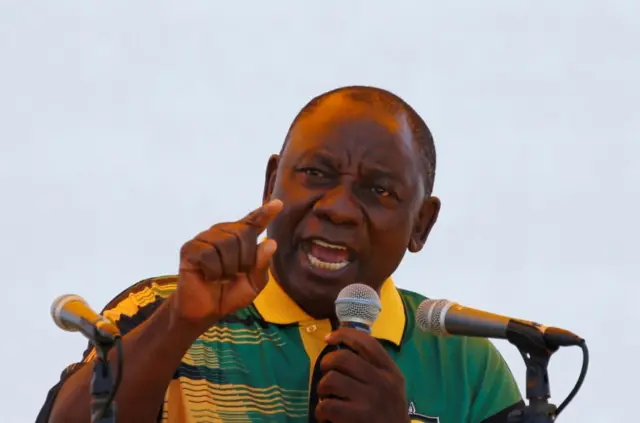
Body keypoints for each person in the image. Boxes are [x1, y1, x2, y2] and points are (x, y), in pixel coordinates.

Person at [38, 86, 524, 423]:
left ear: (422, 223)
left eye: (379, 190)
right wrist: (177, 324)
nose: (337, 208)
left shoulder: (464, 360)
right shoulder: (162, 307)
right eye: (315, 174)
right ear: (272, 181)